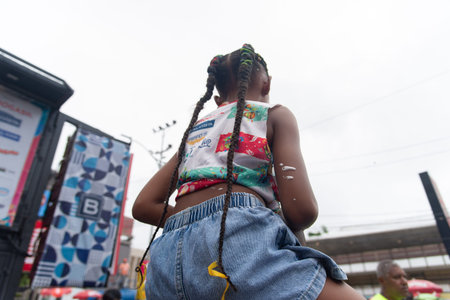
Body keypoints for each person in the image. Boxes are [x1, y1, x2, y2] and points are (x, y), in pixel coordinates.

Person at [132, 44, 365, 299]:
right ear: (267, 85)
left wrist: (193, 218)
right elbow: (302, 211)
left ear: (217, 100)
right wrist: (231, 214)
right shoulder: (274, 115)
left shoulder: (194, 134)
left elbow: (143, 205)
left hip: (166, 265)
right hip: (239, 248)